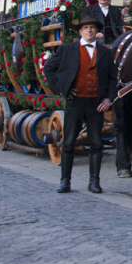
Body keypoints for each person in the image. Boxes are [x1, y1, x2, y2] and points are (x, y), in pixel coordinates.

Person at [43, 15, 117, 194]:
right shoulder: (67, 49)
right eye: (86, 28)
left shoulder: (105, 52)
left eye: (92, 27)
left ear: (97, 31)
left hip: (96, 104)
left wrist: (108, 98)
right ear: (80, 31)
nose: (89, 30)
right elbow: (48, 68)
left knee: (96, 143)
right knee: (69, 142)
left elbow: (113, 78)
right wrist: (62, 89)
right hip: (75, 102)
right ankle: (65, 181)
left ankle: (94, 182)